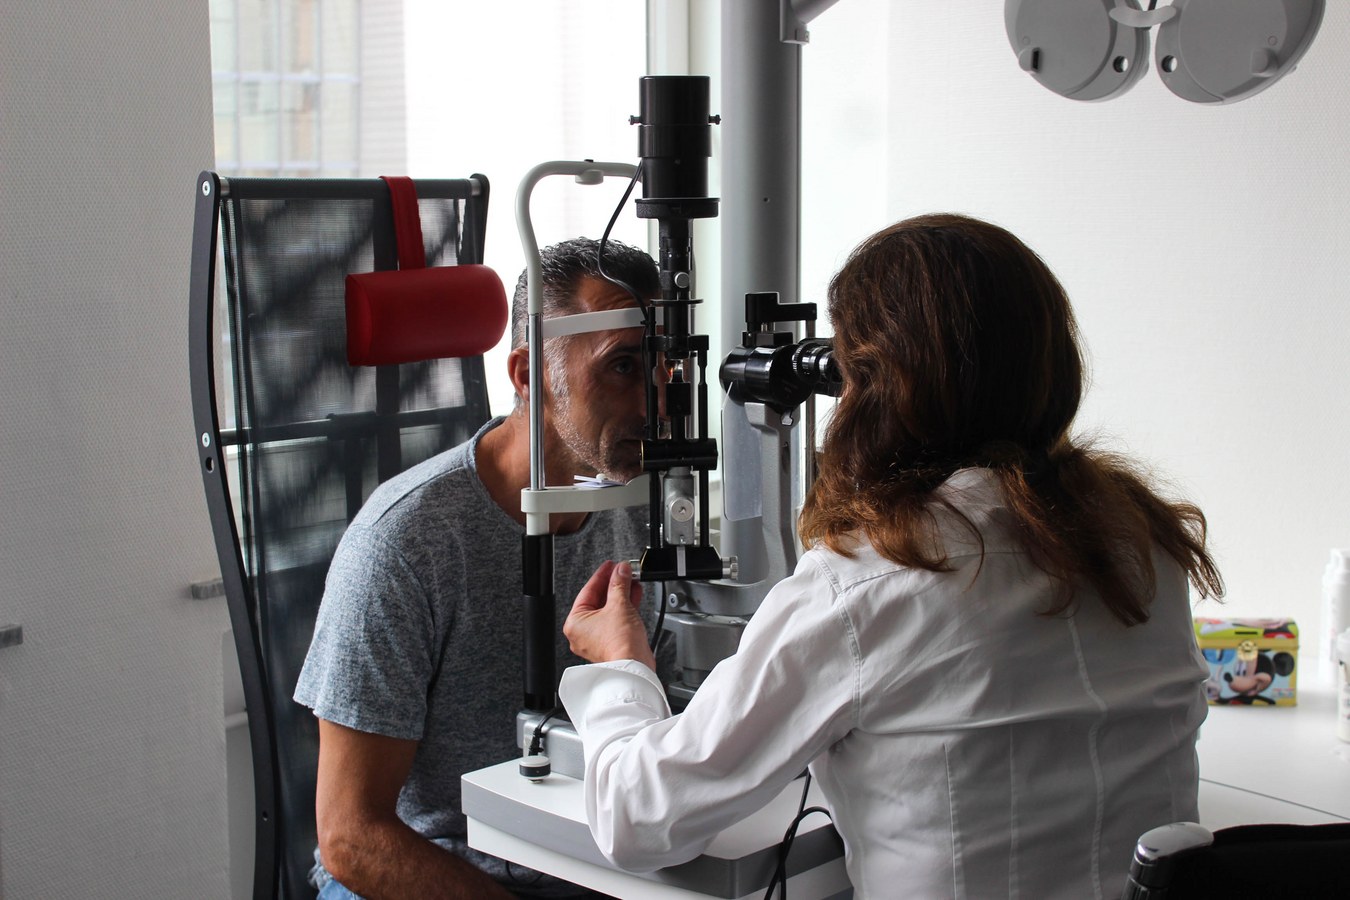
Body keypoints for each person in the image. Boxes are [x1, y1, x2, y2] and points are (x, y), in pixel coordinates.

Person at [559, 214, 1225, 899]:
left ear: (878, 387)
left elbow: (637, 819)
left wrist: (620, 669)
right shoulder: (1144, 543)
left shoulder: (865, 587)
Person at [294, 237, 670, 899]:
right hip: (428, 870)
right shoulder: (407, 541)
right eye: (621, 367)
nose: (654, 403)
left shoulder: (639, 503)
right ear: (527, 374)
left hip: (578, 857)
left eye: (663, 369)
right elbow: (351, 835)